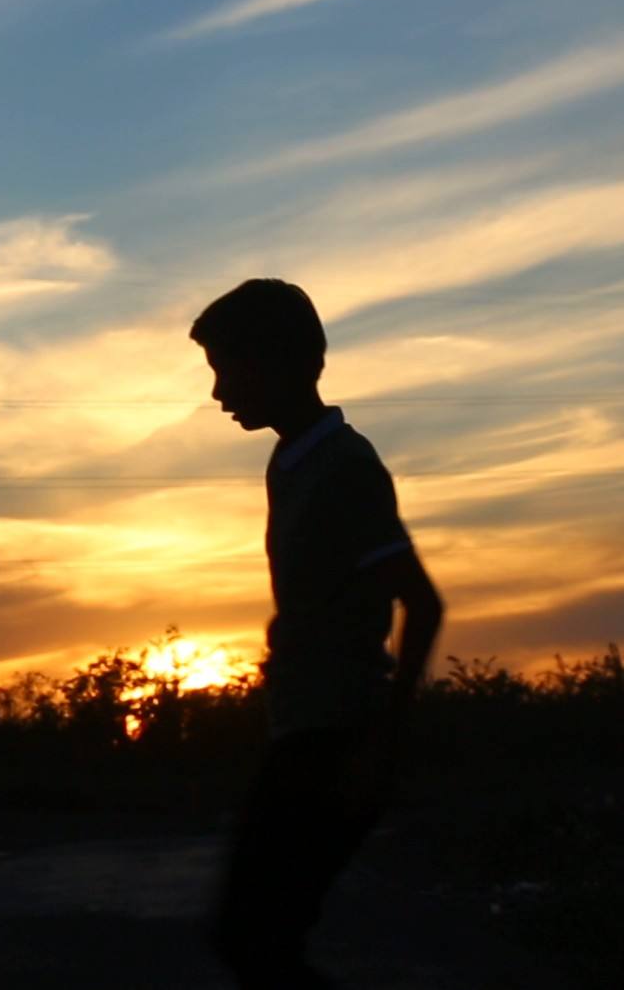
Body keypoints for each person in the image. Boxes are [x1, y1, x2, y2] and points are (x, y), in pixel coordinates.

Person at [191, 279, 445, 988]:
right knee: (257, 941)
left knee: (252, 940)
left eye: (226, 368)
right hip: (304, 732)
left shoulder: (345, 467)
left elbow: (421, 603)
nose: (217, 392)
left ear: (277, 361)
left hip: (337, 740)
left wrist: (383, 742)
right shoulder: (291, 461)